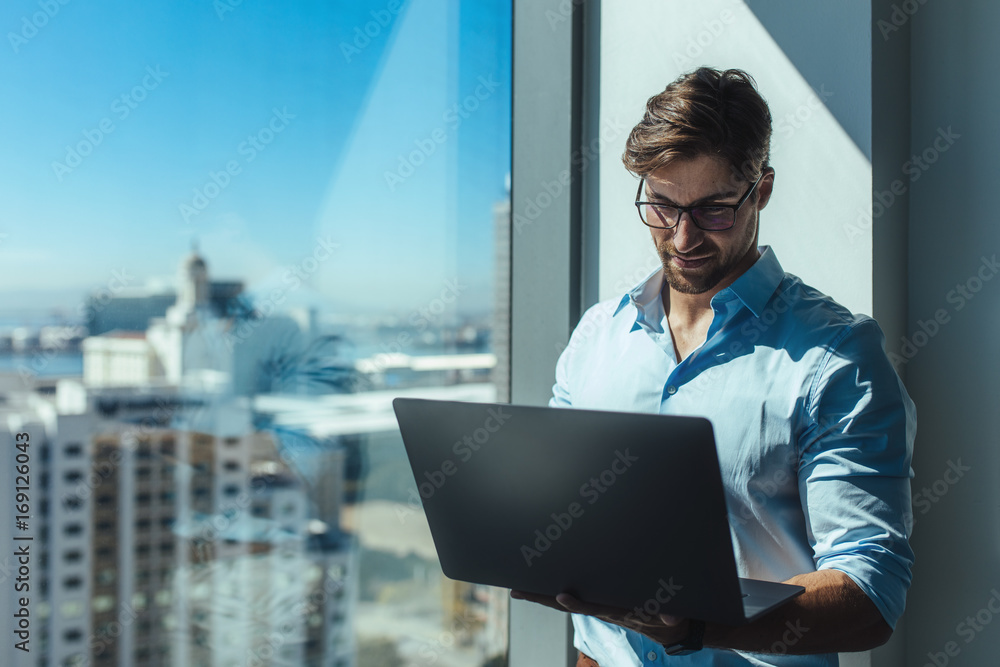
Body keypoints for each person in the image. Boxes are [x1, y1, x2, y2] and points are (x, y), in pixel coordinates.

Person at [510, 67, 916, 666]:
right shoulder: (598, 336)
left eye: (713, 210)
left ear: (763, 189)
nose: (681, 237)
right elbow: (567, 524)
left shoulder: (836, 358)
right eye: (662, 206)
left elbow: (869, 592)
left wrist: (697, 624)